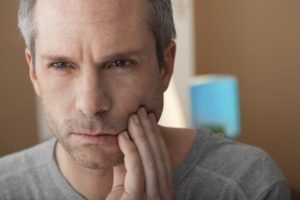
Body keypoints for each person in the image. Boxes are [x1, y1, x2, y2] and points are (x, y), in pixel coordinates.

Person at [0, 0, 291, 199]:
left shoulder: (246, 185)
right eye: (61, 65)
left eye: (120, 63)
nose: (91, 104)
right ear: (34, 73)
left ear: (165, 66)